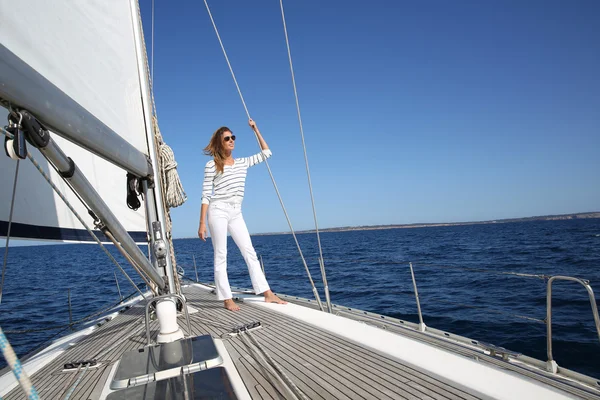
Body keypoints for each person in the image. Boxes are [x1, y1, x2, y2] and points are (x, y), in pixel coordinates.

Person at [198, 118, 287, 311]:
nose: (231, 140)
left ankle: (267, 293)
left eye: (233, 137)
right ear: (219, 143)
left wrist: (256, 130)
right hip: (218, 210)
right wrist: (202, 223)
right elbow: (205, 195)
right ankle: (226, 298)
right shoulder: (211, 166)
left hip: (236, 211)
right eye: (227, 138)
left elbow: (266, 153)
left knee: (249, 251)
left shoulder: (242, 163)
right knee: (221, 254)